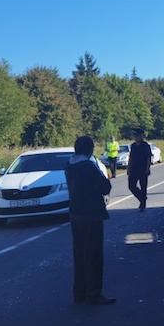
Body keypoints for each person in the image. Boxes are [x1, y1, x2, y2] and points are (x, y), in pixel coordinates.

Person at [65, 135, 115, 305]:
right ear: (90, 149)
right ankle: (93, 293)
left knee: (79, 254)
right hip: (91, 215)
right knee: (93, 254)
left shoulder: (69, 165)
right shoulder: (88, 166)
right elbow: (105, 187)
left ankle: (79, 291)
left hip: (75, 214)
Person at [127, 127, 153, 212]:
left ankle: (142, 204)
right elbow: (131, 157)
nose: (136, 138)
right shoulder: (133, 146)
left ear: (141, 136)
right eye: (135, 136)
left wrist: (147, 168)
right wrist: (129, 168)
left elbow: (148, 157)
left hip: (142, 169)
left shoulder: (145, 146)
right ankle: (142, 198)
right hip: (134, 169)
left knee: (143, 186)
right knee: (131, 186)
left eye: (137, 136)